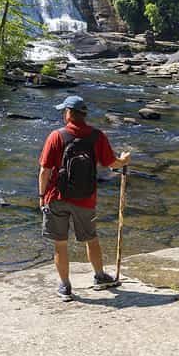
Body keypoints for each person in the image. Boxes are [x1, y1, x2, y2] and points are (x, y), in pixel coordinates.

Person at [39, 95, 130, 301]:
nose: (64, 114)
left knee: (60, 244)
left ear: (69, 114)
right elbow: (111, 164)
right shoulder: (97, 136)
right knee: (91, 239)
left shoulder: (56, 136)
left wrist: (42, 196)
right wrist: (123, 160)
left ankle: (65, 287)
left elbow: (44, 170)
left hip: (57, 197)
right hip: (86, 198)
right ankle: (99, 276)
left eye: (65, 111)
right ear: (84, 115)